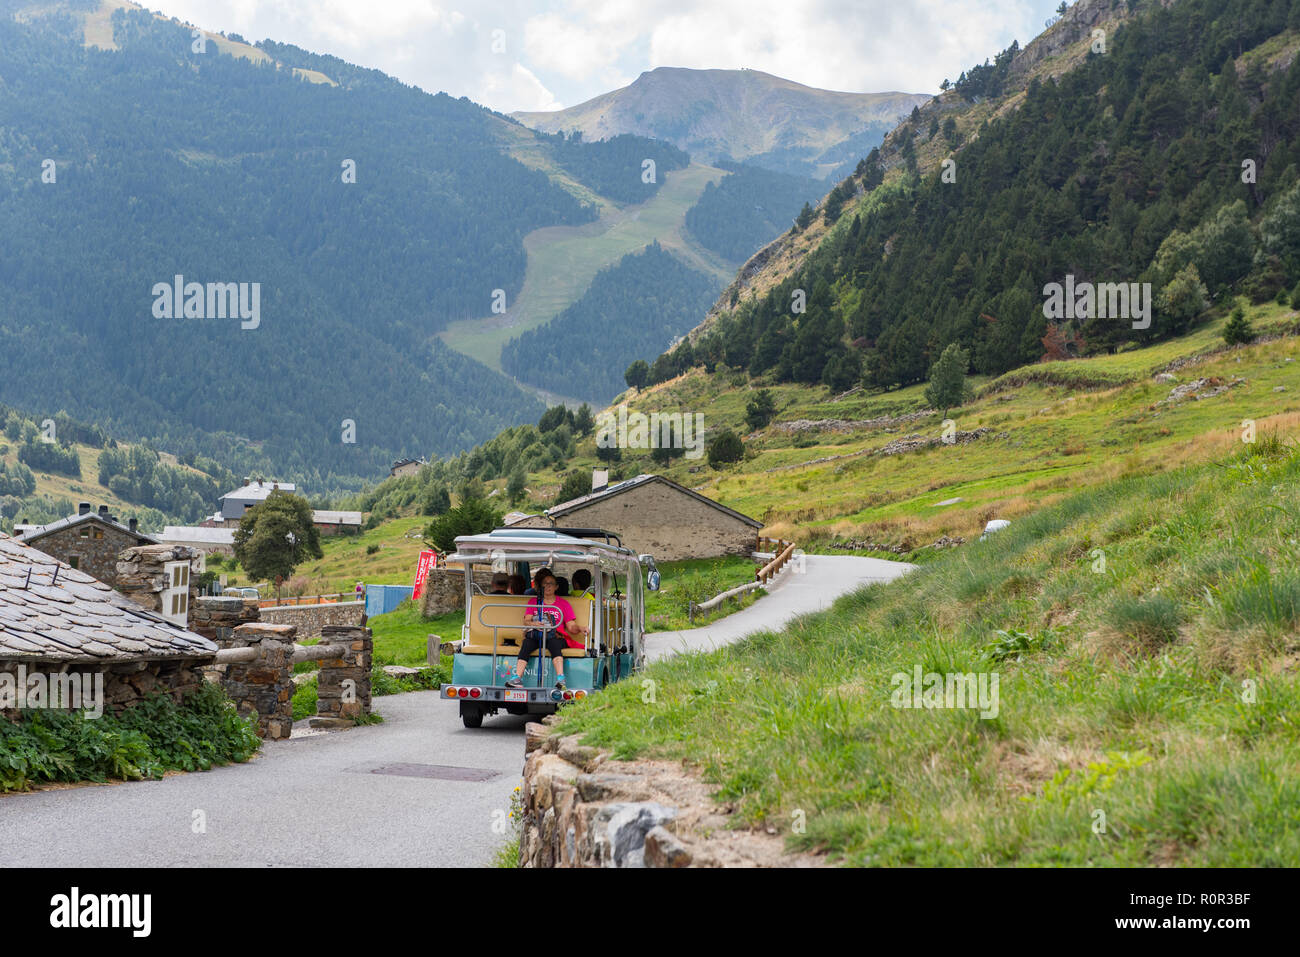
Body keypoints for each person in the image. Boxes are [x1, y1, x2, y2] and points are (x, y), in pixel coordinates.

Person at [506, 568, 586, 690]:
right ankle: (517, 677)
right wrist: (534, 624)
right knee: (527, 643)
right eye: (545, 583)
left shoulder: (563, 604)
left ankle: (560, 679)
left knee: (555, 644)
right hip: (537, 634)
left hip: (555, 636)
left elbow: (571, 626)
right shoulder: (534, 602)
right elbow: (526, 620)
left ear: (556, 587)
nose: (548, 586)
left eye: (551, 584)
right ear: (541, 586)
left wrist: (581, 628)